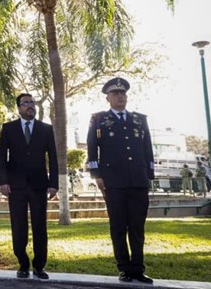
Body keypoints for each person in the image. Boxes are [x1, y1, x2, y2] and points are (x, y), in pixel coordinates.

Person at [87, 78, 155, 284]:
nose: (120, 96)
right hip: (113, 182)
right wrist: (96, 175)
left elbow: (148, 148)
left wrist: (149, 175)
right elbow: (92, 148)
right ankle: (124, 268)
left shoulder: (139, 119)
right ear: (107, 98)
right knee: (118, 226)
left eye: (123, 93)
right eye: (115, 93)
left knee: (137, 227)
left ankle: (138, 269)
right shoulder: (99, 119)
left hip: (138, 181)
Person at [0, 93, 58, 280]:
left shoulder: (46, 129)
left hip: (39, 186)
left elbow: (53, 158)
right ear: (18, 108)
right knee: (18, 226)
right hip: (15, 186)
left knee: (40, 226)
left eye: (32, 102)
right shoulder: (8, 128)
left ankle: (39, 266)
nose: (30, 105)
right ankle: (23, 264)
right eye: (25, 103)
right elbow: (2, 158)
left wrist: (54, 184)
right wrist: (3, 181)